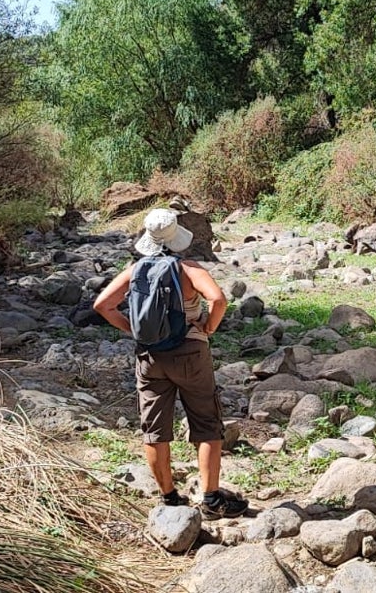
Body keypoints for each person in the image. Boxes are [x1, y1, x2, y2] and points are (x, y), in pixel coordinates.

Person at [92, 208, 248, 519]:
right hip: (190, 354)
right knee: (206, 424)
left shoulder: (134, 271)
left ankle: (170, 498)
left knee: (155, 429)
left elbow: (101, 304)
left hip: (150, 357)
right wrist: (208, 327)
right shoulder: (188, 269)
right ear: (176, 237)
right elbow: (217, 299)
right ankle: (212, 499)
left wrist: (130, 327)